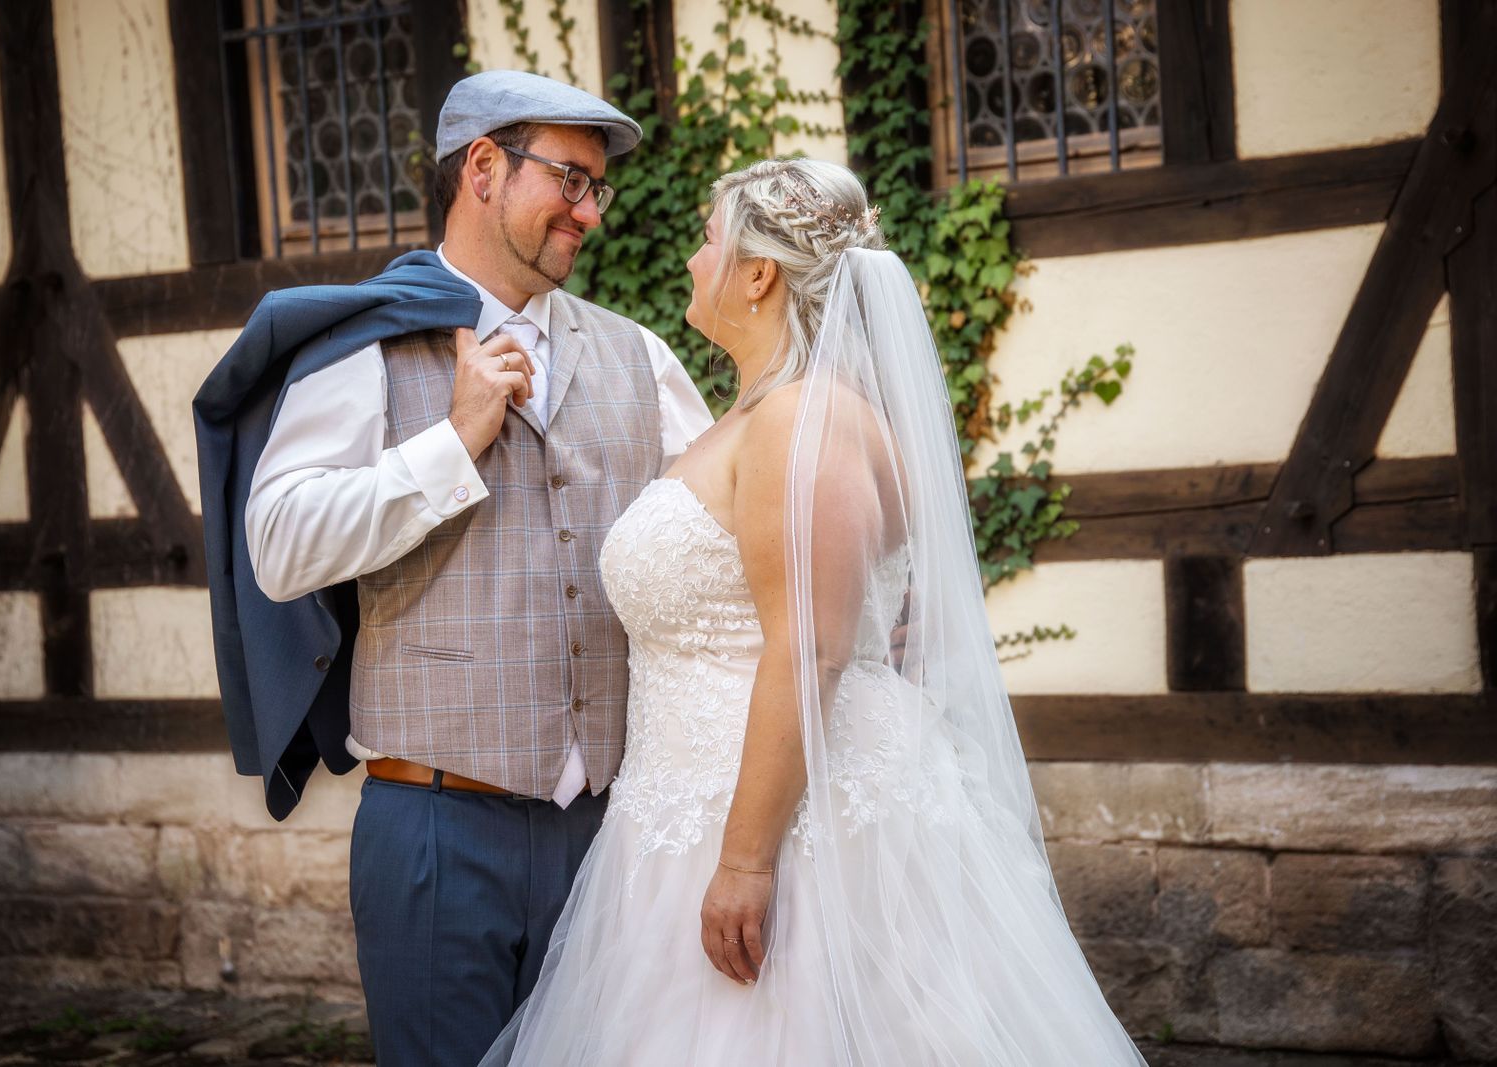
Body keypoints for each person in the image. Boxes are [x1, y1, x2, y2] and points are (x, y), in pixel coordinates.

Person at [480, 158, 1150, 1065]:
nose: (689, 259)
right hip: (689, 808)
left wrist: (747, 861)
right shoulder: (759, 415)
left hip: (787, 825)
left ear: (758, 274)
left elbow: (811, 647)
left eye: (708, 239)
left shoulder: (805, 420)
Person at [233, 71, 712, 1066]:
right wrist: (451, 444)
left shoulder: (642, 359)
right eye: (571, 180)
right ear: (484, 168)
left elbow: (713, 546)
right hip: (438, 834)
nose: (589, 211)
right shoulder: (361, 343)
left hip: (611, 838)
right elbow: (278, 543)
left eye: (598, 189)